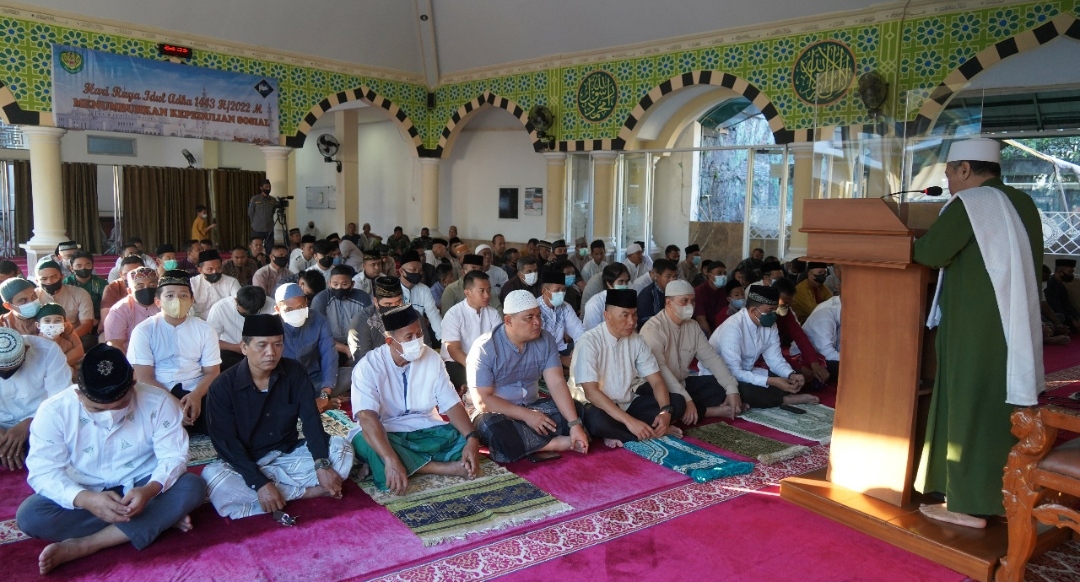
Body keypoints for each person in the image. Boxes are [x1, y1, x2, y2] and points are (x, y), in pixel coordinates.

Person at [913, 137, 1044, 529]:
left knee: (969, 404)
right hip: (1013, 322)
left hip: (976, 325)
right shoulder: (1023, 202)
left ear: (965, 169)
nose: (950, 181)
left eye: (950, 172)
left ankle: (968, 504)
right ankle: (1003, 494)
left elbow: (930, 253)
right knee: (995, 407)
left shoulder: (973, 203)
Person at [16, 345, 205, 574]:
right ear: (78, 393)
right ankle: (159, 518)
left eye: (120, 406)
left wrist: (149, 491)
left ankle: (88, 544)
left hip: (140, 482)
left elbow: (173, 456)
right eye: (96, 409)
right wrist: (86, 499)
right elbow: (43, 472)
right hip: (84, 485)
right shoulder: (54, 411)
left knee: (192, 487)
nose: (109, 416)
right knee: (30, 517)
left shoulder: (158, 401)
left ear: (133, 386)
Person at [202, 314, 352, 520]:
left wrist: (321, 463)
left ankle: (271, 496)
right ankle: (307, 492)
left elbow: (311, 420)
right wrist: (260, 483)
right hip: (247, 462)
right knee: (214, 479)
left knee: (341, 448)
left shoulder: (295, 372)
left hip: (287, 455)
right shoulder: (222, 387)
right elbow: (225, 443)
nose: (271, 353)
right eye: (262, 345)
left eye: (278, 345)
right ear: (244, 347)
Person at [349, 305, 480, 493]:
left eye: (419, 334)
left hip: (425, 427)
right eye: (409, 337)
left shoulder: (432, 358)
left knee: (464, 437)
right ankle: (442, 468)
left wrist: (471, 438)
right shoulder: (368, 367)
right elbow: (367, 418)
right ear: (390, 342)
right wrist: (390, 459)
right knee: (366, 442)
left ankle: (405, 464)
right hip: (386, 430)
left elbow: (451, 403)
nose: (417, 341)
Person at [467, 290, 589, 463]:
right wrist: (527, 416)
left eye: (539, 315)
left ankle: (529, 443)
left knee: (578, 410)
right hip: (496, 412)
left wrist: (574, 424)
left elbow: (556, 382)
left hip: (533, 406)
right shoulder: (485, 347)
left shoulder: (546, 340)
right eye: (529, 318)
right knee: (494, 429)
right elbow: (482, 401)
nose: (537, 322)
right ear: (508, 320)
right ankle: (553, 444)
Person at [569, 289, 685, 448]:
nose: (632, 322)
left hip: (626, 404)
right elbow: (591, 392)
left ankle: (620, 433)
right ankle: (648, 432)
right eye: (625, 315)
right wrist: (630, 422)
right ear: (607, 316)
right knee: (597, 422)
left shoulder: (637, 340)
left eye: (635, 314)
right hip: (595, 406)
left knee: (677, 402)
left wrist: (665, 412)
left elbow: (656, 381)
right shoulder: (589, 341)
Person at [128, 270, 221, 433]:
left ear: (192, 300)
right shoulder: (143, 331)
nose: (177, 300)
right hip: (158, 390)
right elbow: (144, 377)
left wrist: (196, 396)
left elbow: (212, 372)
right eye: (169, 296)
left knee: (221, 421)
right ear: (158, 301)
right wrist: (175, 404)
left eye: (184, 295)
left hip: (195, 387)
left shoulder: (205, 329)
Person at [640, 279, 744, 424]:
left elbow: (711, 358)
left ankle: (694, 408)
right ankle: (708, 411)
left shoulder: (693, 326)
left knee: (722, 385)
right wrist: (687, 400)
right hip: (657, 387)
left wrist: (731, 389)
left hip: (682, 382)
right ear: (669, 303)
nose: (690, 305)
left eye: (693, 301)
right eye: (684, 301)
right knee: (676, 403)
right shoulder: (653, 329)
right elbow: (661, 371)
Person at [710, 285, 817, 409]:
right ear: (753, 311)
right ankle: (785, 399)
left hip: (748, 371)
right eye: (769, 310)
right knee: (742, 390)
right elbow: (733, 371)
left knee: (796, 376)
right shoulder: (732, 327)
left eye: (775, 310)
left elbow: (775, 359)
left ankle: (775, 395)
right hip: (721, 376)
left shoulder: (770, 325)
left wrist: (790, 374)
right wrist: (771, 381)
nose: (773, 315)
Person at [0, 327, 69, 470]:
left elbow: (62, 401)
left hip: (42, 422)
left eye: (10, 370)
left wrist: (30, 424)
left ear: (25, 350)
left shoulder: (47, 351)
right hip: (2, 425)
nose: (4, 376)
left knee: (62, 451)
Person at [274, 283, 342, 405]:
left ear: (306, 302)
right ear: (277, 310)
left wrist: (324, 395)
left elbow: (329, 355)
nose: (296, 312)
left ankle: (312, 400)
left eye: (300, 307)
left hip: (313, 379)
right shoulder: (270, 325)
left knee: (350, 375)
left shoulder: (318, 320)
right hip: (282, 383)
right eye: (288, 310)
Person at [441, 270, 500, 393]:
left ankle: (472, 387)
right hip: (459, 363)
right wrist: (477, 369)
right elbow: (454, 350)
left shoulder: (492, 313)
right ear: (467, 293)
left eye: (488, 290)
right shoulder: (454, 314)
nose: (487, 295)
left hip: (486, 362)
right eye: (482, 291)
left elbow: (500, 342)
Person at [206, 285, 275, 371]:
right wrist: (235, 347)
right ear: (236, 301)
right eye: (245, 313)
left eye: (254, 313)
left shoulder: (272, 305)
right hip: (232, 351)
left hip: (263, 351)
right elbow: (209, 341)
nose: (249, 316)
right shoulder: (220, 308)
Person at [311, 265, 371, 362]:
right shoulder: (321, 299)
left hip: (356, 343)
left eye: (344, 284)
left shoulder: (362, 298)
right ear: (329, 283)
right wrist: (345, 349)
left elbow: (368, 327)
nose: (339, 288)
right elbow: (317, 334)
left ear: (352, 284)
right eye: (335, 284)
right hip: (329, 344)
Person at [36, 261, 96, 349]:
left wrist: (64, 340)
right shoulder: (33, 298)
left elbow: (87, 324)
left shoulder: (80, 293)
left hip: (72, 337)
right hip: (43, 339)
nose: (49, 282)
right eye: (44, 279)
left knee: (90, 341)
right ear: (37, 281)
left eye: (54, 277)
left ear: (62, 277)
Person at [101, 267, 160, 354]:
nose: (146, 289)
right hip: (132, 358)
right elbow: (115, 345)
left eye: (152, 285)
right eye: (140, 286)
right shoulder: (119, 311)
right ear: (129, 291)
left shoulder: (164, 305)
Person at [537, 269, 584, 367]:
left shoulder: (565, 307)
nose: (561, 293)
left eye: (563, 290)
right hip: (542, 354)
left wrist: (577, 351)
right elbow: (537, 344)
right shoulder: (535, 310)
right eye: (557, 290)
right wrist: (560, 359)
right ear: (544, 291)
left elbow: (579, 332)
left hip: (562, 348)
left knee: (586, 348)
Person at [397, 251, 443, 342]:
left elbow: (433, 313)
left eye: (420, 270)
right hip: (398, 335)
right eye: (413, 270)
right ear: (401, 271)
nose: (417, 273)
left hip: (418, 334)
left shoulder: (424, 290)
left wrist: (443, 338)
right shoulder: (393, 289)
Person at [795, 295, 841, 380]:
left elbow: (840, 347)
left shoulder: (840, 313)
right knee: (850, 368)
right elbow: (827, 354)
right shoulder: (825, 317)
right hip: (805, 358)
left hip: (820, 357)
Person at [191, 250, 241, 320]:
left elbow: (239, 303)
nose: (215, 272)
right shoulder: (192, 283)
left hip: (226, 322)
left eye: (218, 268)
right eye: (210, 269)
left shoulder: (231, 282)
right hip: (200, 323)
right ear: (200, 270)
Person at [34, 303, 84, 372]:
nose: (52, 324)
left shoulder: (67, 345)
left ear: (64, 324)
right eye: (47, 321)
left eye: (57, 321)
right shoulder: (34, 345)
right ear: (38, 325)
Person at [582, 263, 632, 331]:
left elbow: (632, 327)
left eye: (626, 282)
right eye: (620, 282)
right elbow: (593, 335)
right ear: (609, 283)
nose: (625, 285)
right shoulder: (594, 304)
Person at [63, 251, 107, 323]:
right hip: (71, 321)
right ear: (72, 268)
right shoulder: (66, 283)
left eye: (87, 265)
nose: (83, 268)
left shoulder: (101, 283)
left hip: (97, 320)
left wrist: (101, 321)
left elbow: (106, 304)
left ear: (92, 266)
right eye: (79, 266)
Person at [635, 259, 678, 330]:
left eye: (675, 276)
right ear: (658, 276)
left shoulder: (676, 292)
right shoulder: (647, 295)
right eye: (668, 276)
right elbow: (645, 323)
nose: (672, 280)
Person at [693, 260, 728, 335]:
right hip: (704, 332)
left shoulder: (724, 291)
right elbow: (701, 320)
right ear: (709, 275)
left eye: (725, 273)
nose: (723, 276)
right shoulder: (699, 291)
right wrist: (711, 340)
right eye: (719, 273)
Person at [1045, 258, 1080, 331]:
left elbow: (1067, 304)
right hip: (1053, 314)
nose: (1071, 275)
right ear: (1060, 272)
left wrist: (1076, 317)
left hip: (1062, 314)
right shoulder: (1049, 285)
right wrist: (1070, 319)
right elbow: (1053, 307)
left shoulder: (1061, 286)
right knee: (1061, 317)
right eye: (1070, 272)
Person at [248, 178, 277, 247]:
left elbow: (273, 212)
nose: (268, 188)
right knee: (256, 247)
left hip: (269, 227)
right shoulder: (255, 199)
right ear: (261, 188)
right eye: (266, 187)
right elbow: (250, 213)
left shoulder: (273, 200)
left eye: (269, 187)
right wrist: (255, 222)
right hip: (257, 228)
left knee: (269, 247)